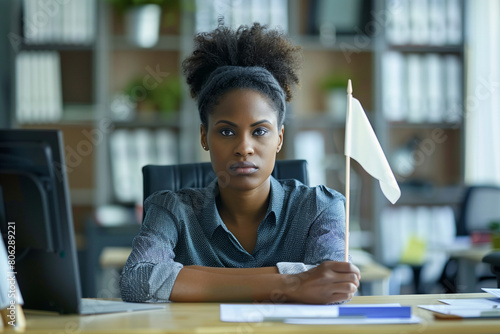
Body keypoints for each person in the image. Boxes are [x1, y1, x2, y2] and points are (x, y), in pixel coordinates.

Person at [120, 22, 360, 304]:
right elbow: (137, 281)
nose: (244, 148)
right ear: (204, 136)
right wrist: (293, 283)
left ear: (279, 138)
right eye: (226, 131)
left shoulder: (322, 206)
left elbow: (336, 287)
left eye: (259, 131)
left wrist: (186, 279)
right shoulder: (171, 209)